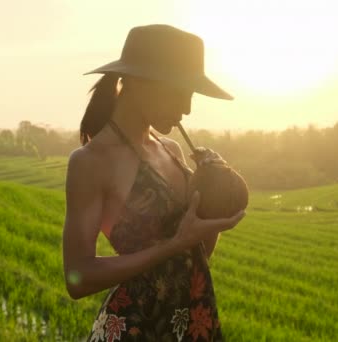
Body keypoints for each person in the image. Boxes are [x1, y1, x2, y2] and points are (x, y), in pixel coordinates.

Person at [63, 24, 246, 342]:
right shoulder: (91, 163)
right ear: (136, 83)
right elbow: (78, 279)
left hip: (190, 320)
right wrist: (171, 246)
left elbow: (198, 252)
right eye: (180, 91)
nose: (187, 108)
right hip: (135, 328)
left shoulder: (172, 150)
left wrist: (215, 197)